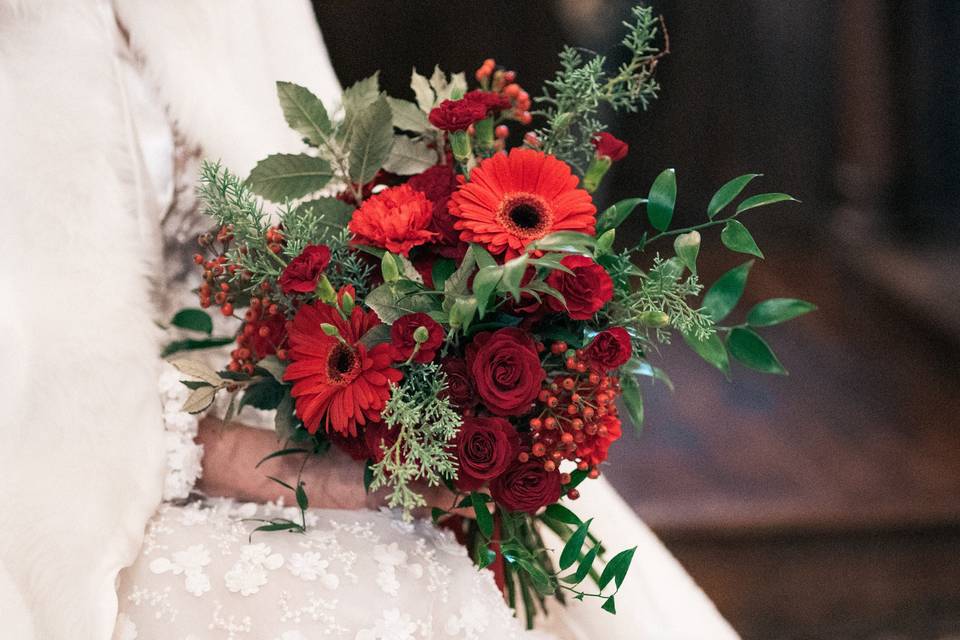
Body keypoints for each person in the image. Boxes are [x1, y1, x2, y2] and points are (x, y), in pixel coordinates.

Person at [0, 2, 738, 638]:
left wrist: (442, 354)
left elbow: (319, 208)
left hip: (275, 384)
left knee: (475, 561)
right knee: (369, 603)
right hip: (73, 474)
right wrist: (279, 465)